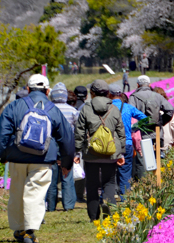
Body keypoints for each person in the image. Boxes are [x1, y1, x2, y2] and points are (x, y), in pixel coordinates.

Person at [0, 74, 75, 243]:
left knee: (17, 193)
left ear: (28, 89)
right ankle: (30, 230)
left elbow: (2, 131)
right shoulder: (53, 109)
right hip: (42, 160)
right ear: (47, 90)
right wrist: (66, 163)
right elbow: (66, 138)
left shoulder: (15, 106)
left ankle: (19, 229)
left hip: (17, 157)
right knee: (35, 193)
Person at [75, 80, 126, 221]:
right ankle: (109, 211)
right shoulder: (114, 109)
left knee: (91, 184)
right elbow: (121, 132)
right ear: (107, 93)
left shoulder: (86, 108)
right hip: (110, 152)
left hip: (91, 152)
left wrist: (77, 151)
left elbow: (79, 131)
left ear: (92, 93)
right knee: (109, 183)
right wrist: (121, 152)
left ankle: (93, 216)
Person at [46, 83, 79, 212]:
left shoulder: (48, 109)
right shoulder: (73, 111)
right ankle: (69, 205)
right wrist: (76, 152)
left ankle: (50, 205)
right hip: (67, 146)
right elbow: (78, 132)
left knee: (51, 176)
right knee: (67, 175)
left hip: (51, 146)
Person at [109, 81, 145, 196]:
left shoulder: (107, 108)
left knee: (108, 171)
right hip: (127, 143)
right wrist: (133, 128)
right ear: (120, 94)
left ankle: (107, 196)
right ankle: (125, 197)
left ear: (109, 95)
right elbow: (145, 119)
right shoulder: (128, 108)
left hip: (110, 143)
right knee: (125, 172)